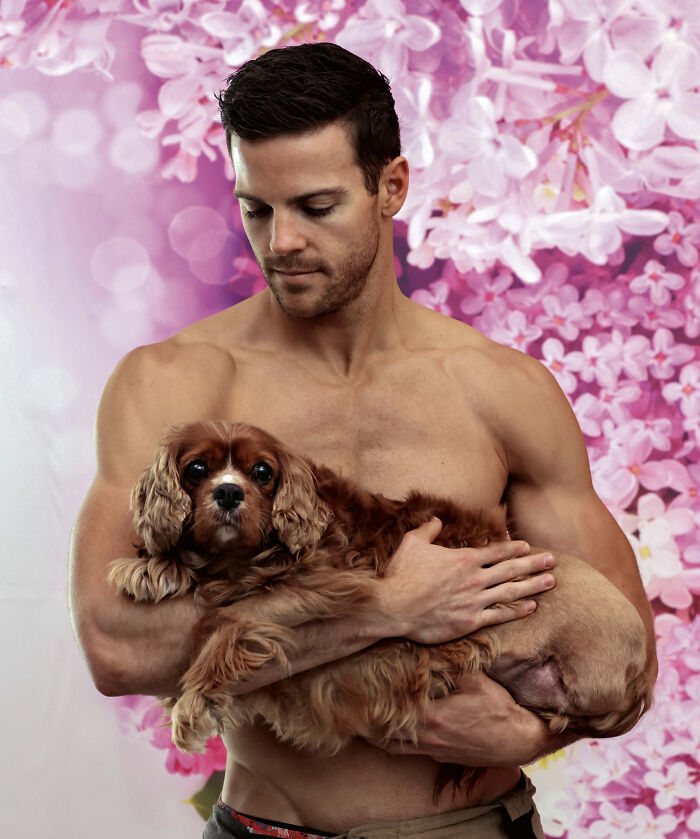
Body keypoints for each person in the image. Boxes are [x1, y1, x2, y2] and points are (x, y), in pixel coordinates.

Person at [69, 43, 656, 839]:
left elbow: (628, 661)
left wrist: (534, 734)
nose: (280, 244)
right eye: (257, 209)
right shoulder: (176, 385)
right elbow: (117, 646)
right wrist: (385, 609)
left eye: (315, 208)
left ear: (392, 187)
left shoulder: (500, 390)